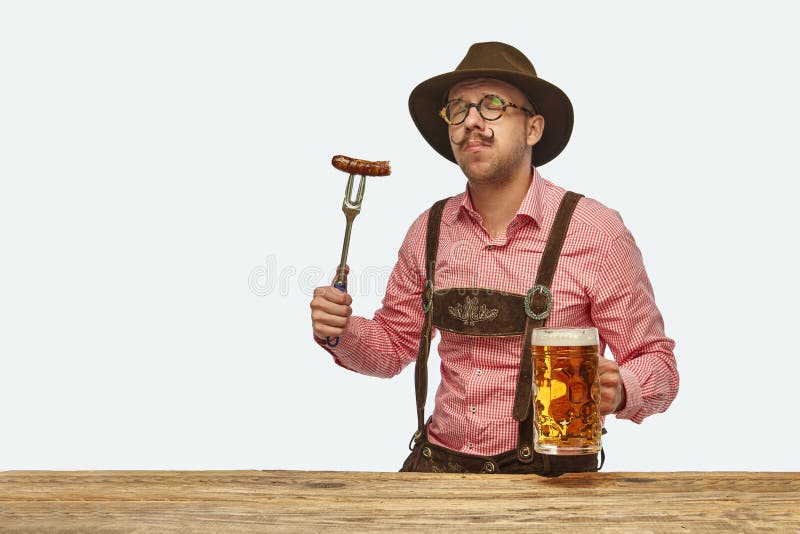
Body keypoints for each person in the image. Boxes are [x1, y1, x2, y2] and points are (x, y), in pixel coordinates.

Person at [310, 41, 678, 475]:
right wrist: (341, 331)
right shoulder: (429, 230)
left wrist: (623, 390)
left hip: (553, 479)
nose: (472, 122)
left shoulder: (595, 232)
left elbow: (659, 365)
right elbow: (393, 347)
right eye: (458, 109)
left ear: (533, 128)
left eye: (493, 106)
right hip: (438, 471)